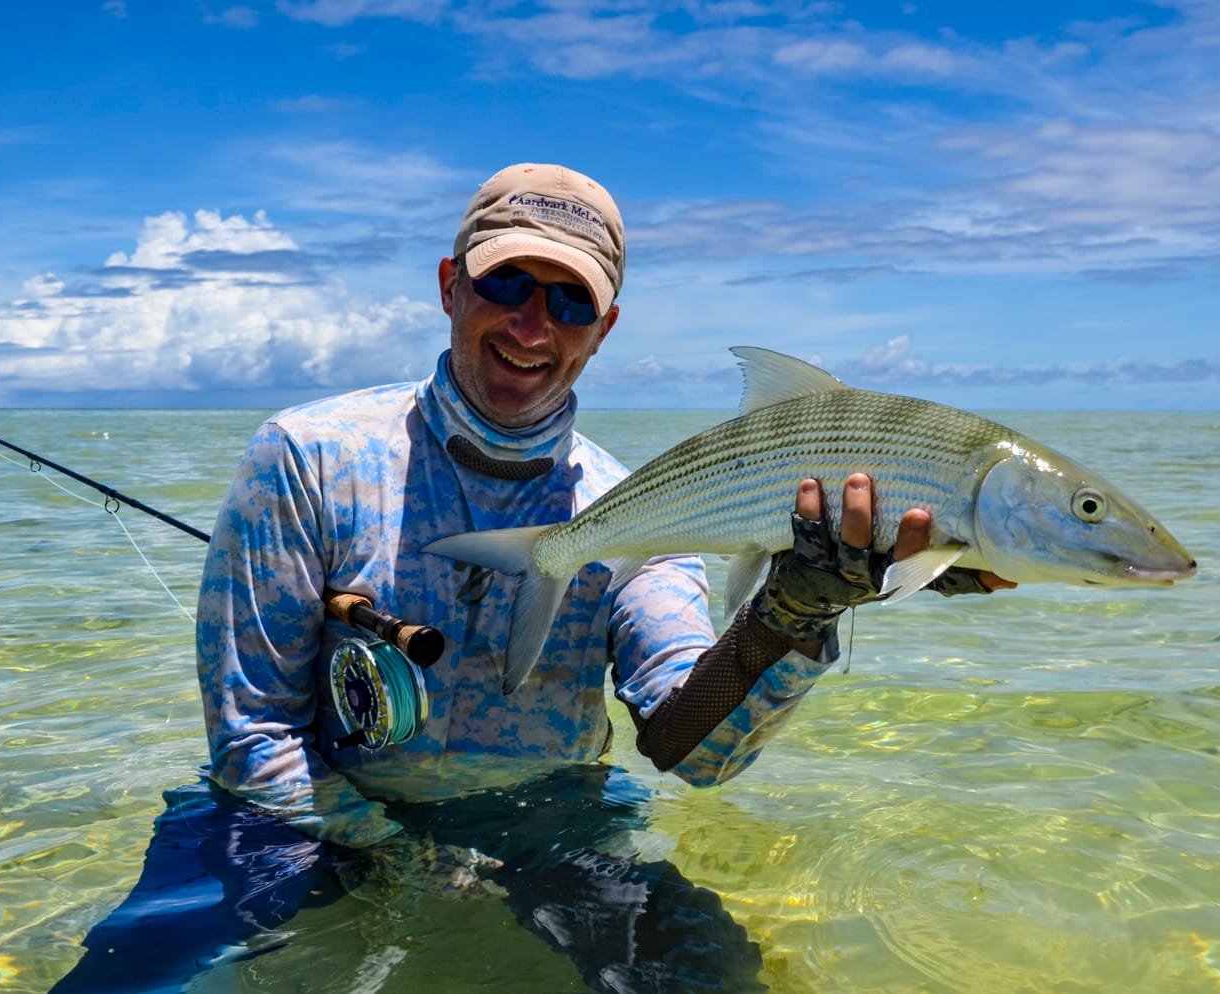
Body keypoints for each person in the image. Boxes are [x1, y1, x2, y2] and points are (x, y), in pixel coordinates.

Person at [181, 161, 1007, 989]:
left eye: (570, 301)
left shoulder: (650, 508)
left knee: (716, 978)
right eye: (507, 282)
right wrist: (396, 855)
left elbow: (694, 753)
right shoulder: (307, 457)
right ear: (449, 287)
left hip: (552, 824)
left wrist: (793, 616)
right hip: (304, 817)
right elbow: (252, 733)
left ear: (604, 327)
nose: (534, 326)